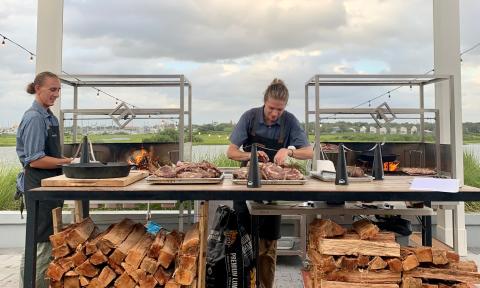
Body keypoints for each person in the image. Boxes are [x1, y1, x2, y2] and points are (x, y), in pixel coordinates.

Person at [227, 78, 313, 288]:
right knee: (242, 244)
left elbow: (309, 151)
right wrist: (250, 155)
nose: (275, 113)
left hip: (272, 192)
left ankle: (266, 285)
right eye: (271, 108)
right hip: (247, 188)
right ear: (264, 102)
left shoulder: (290, 121)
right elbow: (230, 152)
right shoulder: (249, 117)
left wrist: (289, 150)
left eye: (280, 110)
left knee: (267, 247)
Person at [16, 71, 73, 288]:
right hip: (38, 187)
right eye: (52, 89)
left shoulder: (50, 117)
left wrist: (64, 164)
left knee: (47, 240)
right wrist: (67, 163)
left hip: (50, 185)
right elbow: (35, 160)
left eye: (58, 89)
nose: (56, 94)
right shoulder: (34, 118)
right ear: (38, 88)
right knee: (40, 242)